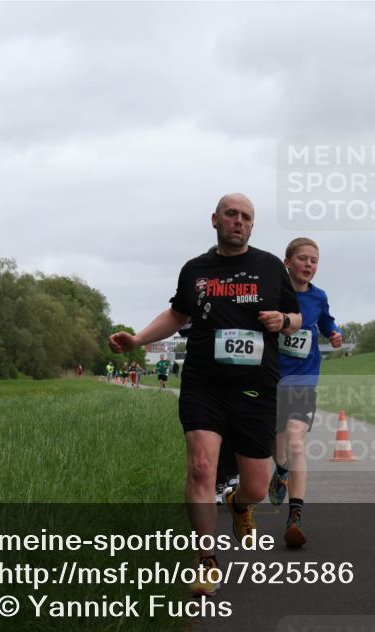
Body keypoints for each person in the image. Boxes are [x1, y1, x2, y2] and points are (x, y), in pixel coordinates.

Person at [109, 193, 301, 597]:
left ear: (253, 225)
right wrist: (138, 339)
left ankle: (238, 503)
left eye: (246, 217)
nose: (239, 221)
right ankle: (207, 559)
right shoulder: (195, 270)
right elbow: (178, 314)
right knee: (201, 467)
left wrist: (283, 319)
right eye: (231, 214)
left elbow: (296, 316)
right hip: (203, 383)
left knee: (258, 485)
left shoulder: (269, 266)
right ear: (214, 220)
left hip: (254, 387)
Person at [267, 237, 343, 548]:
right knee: (277, 442)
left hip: (304, 380)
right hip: (271, 379)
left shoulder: (318, 296)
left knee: (296, 441)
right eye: (302, 258)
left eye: (314, 260)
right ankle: (280, 468)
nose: (309, 264)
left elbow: (325, 320)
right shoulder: (272, 294)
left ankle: (294, 516)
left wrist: (334, 332)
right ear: (287, 262)